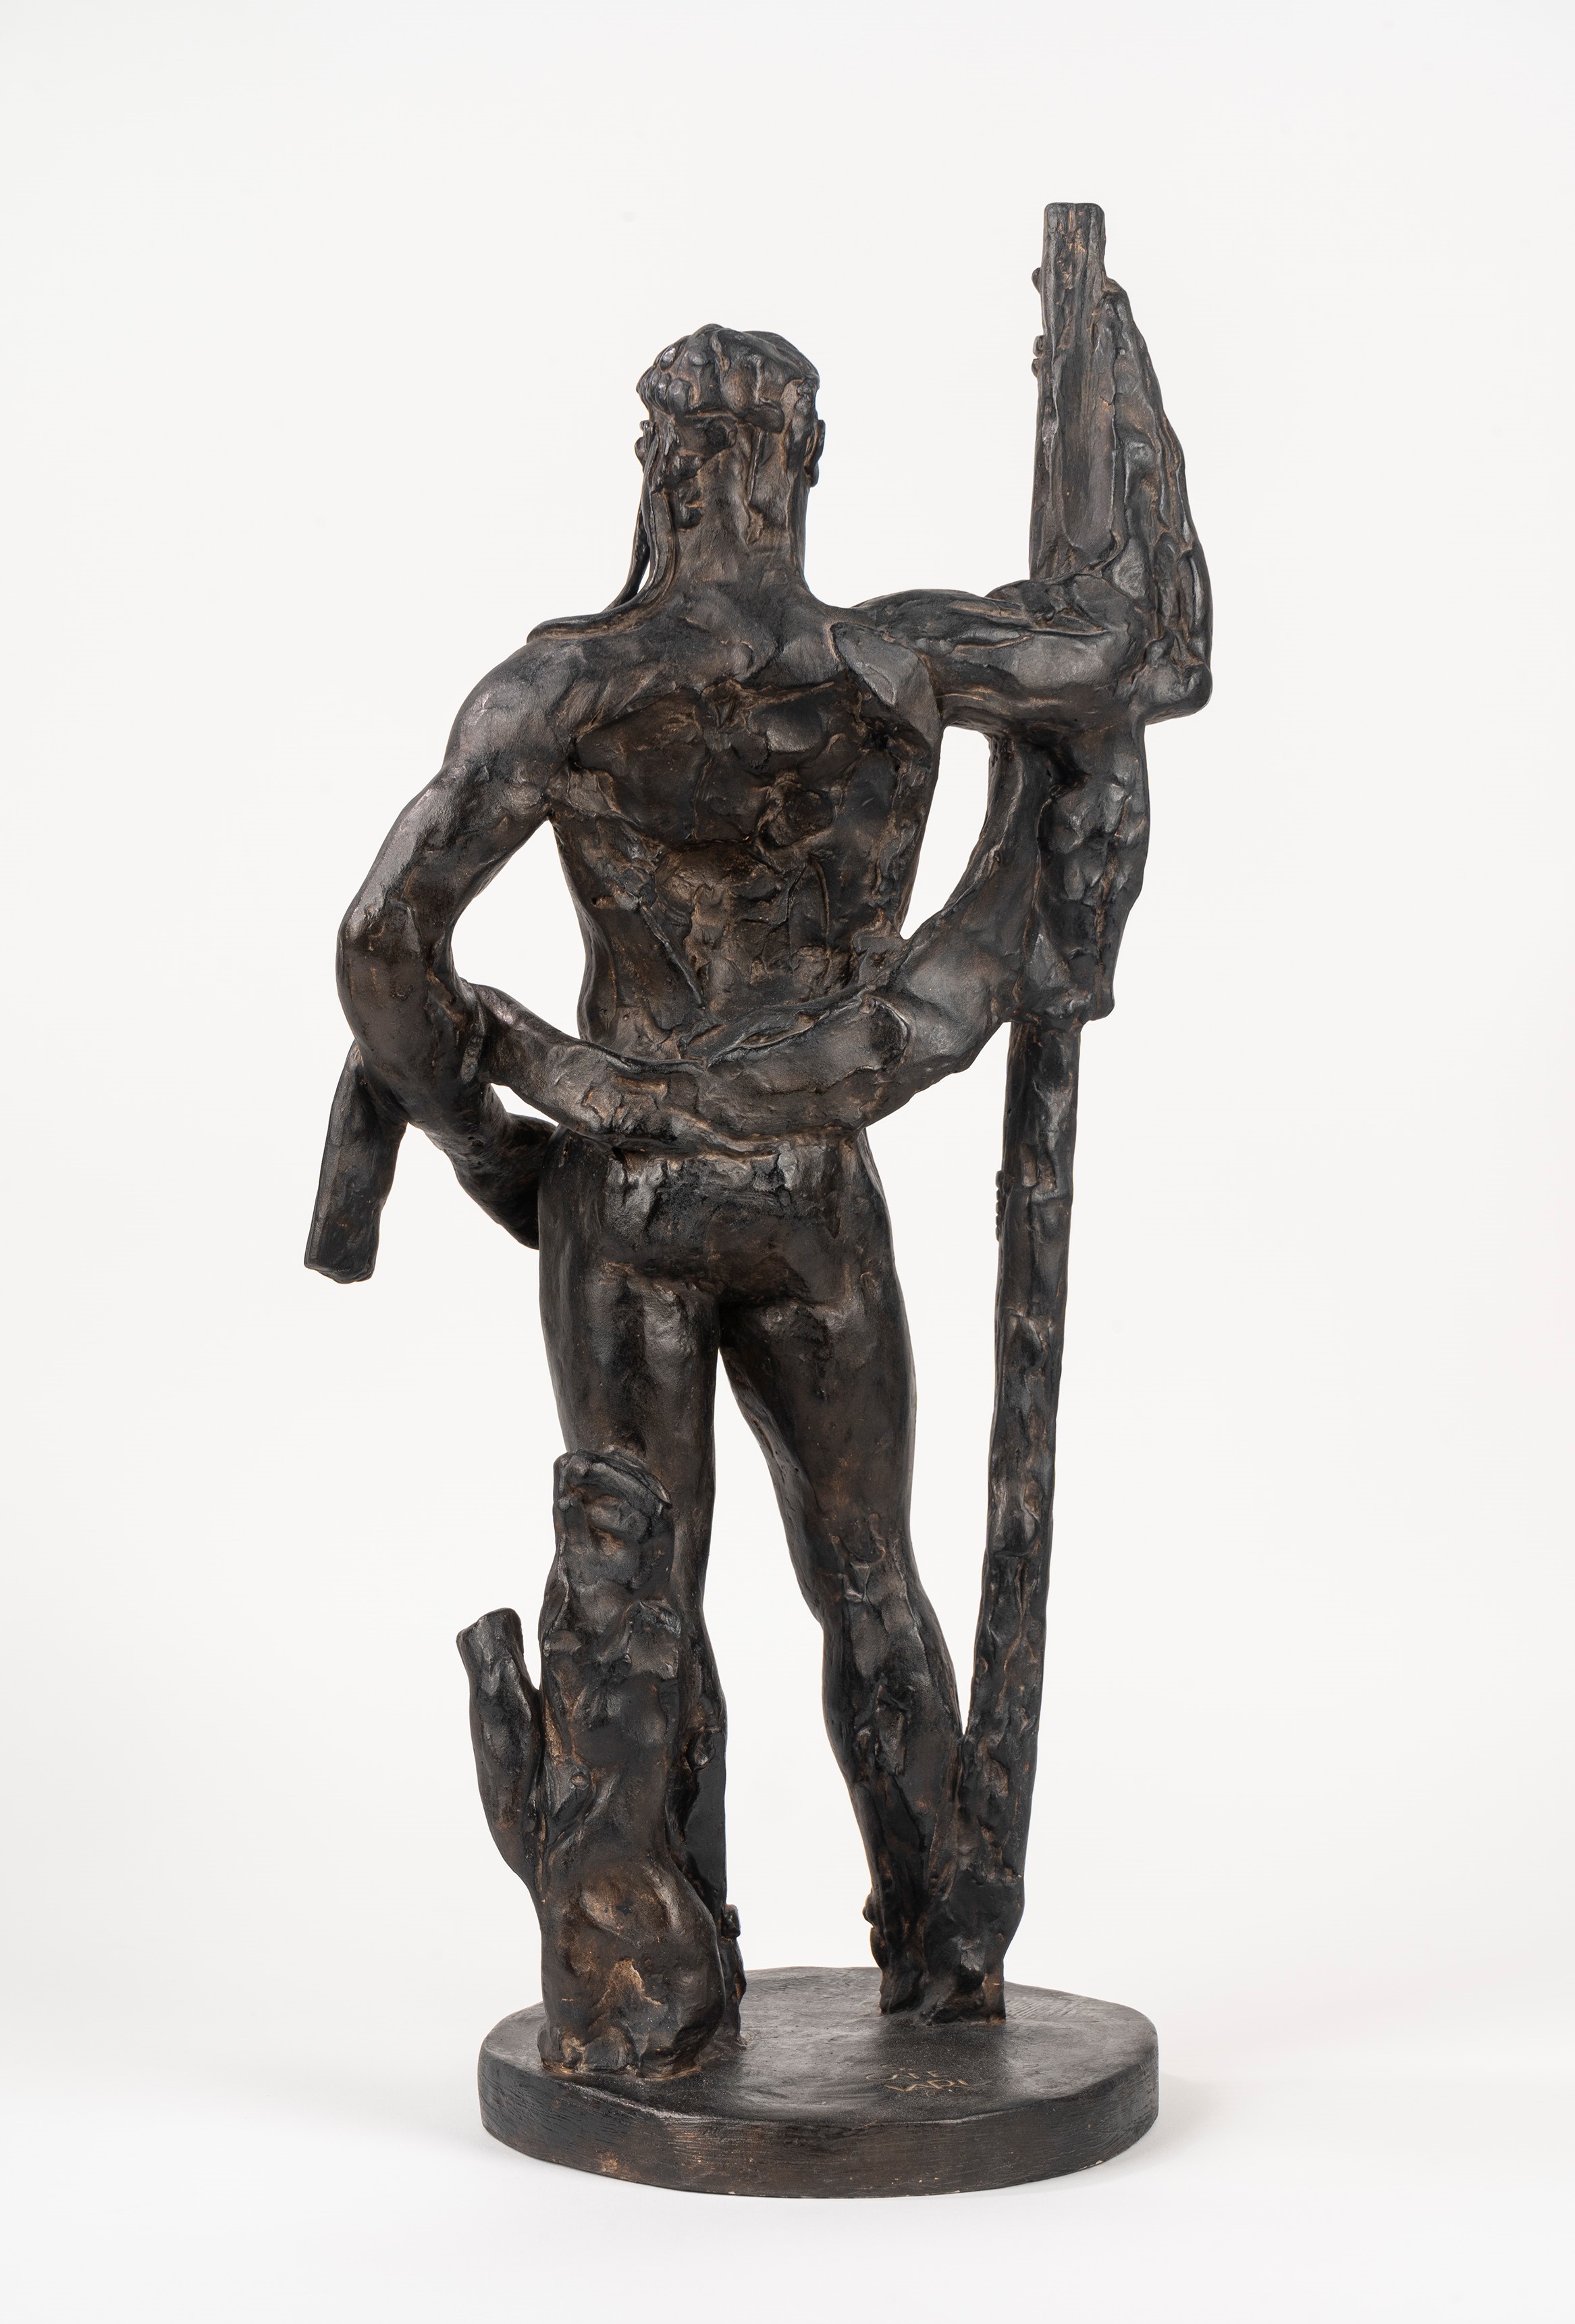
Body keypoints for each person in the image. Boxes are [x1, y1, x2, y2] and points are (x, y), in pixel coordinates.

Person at [329, 312, 1208, 2019]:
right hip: (810, 1193)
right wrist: (1108, 425)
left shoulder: (563, 689)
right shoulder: (902, 665)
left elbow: (381, 945)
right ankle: (942, 1950)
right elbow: (1142, 654)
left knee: (641, 1589)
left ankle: (670, 1969)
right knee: (867, 1569)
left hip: (627, 1196)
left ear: (658, 467)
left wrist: (484, 1140)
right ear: (804, 467)